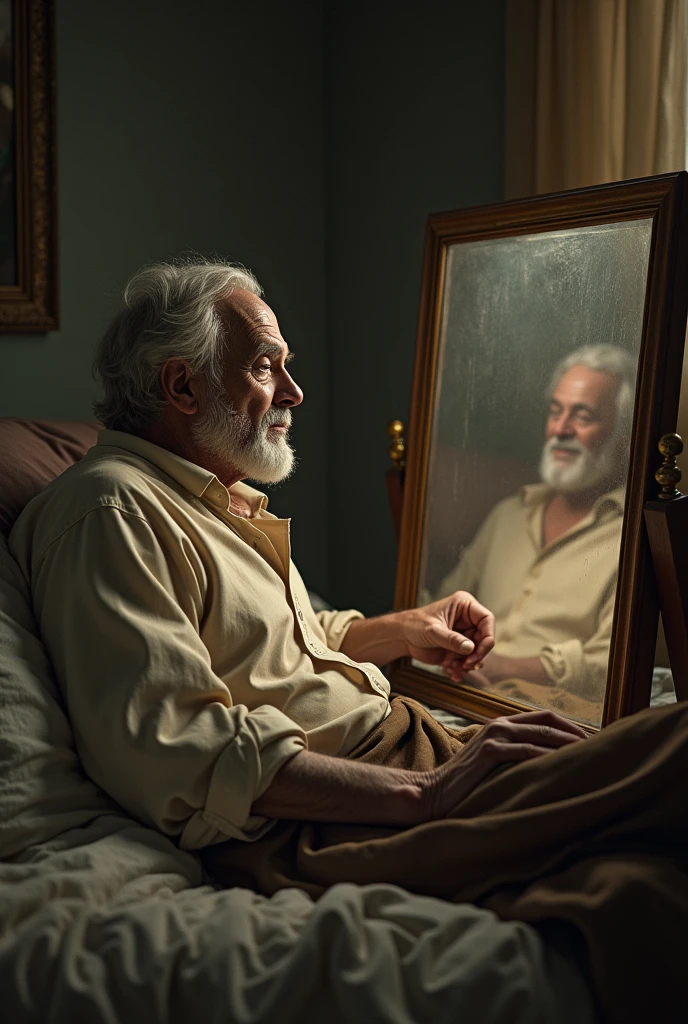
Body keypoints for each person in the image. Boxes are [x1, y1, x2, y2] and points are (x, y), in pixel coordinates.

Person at [9, 258, 586, 851]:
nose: (294, 392)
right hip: (341, 809)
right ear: (182, 386)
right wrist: (430, 792)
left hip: (405, 756)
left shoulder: (209, 494)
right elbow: (176, 746)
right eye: (264, 367)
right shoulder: (113, 512)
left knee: (643, 751)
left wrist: (407, 630)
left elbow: (281, 647)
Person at [435, 345, 636, 704]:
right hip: (458, 691)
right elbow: (441, 605)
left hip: (555, 710)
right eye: (555, 411)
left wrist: (502, 667)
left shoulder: (633, 537)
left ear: (622, 433)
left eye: (584, 416)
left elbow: (611, 665)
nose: (560, 429)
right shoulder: (508, 514)